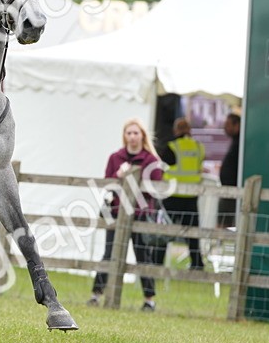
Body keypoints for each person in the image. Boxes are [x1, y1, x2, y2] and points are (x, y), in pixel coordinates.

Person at [88, 119, 165, 311]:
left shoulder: (151, 161)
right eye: (129, 133)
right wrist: (119, 177)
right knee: (109, 254)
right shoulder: (115, 158)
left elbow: (156, 188)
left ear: (142, 136)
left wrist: (134, 177)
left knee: (143, 256)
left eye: (136, 133)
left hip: (140, 214)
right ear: (125, 136)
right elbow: (107, 183)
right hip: (116, 212)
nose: (132, 137)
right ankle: (96, 295)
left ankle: (149, 300)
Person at [156, 117, 206, 270]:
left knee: (164, 231)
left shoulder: (172, 147)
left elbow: (161, 167)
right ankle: (197, 264)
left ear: (175, 130)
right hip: (191, 196)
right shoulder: (198, 147)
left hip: (173, 195)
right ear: (189, 130)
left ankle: (157, 263)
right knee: (192, 233)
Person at [218, 113, 241, 228]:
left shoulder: (240, 143)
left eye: (228, 124)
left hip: (232, 190)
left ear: (237, 125)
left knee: (223, 224)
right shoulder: (235, 142)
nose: (225, 127)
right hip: (228, 188)